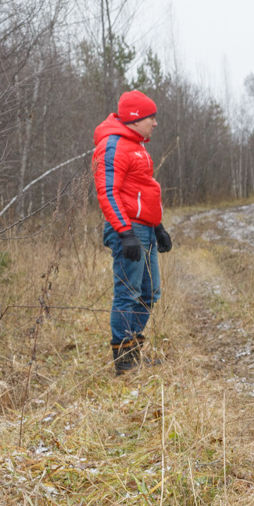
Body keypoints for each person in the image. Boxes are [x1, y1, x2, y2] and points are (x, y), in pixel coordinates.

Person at [92, 90, 171, 375]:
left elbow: (143, 191)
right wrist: (125, 233)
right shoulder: (113, 145)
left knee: (150, 293)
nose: (155, 123)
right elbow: (107, 193)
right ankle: (124, 362)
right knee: (128, 293)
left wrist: (158, 226)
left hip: (145, 228)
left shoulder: (136, 145)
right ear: (136, 118)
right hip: (128, 229)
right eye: (152, 117)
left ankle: (133, 352)